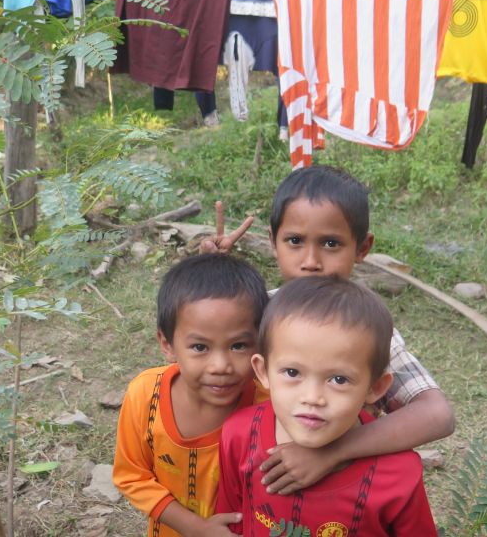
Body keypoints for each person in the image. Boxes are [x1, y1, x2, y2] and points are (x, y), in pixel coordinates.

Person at [201, 165, 455, 494]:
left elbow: (437, 414)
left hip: (344, 492)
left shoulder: (364, 331)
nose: (311, 261)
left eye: (331, 243)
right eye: (294, 241)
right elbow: (195, 343)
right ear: (273, 241)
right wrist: (212, 274)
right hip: (251, 476)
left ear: (362, 248)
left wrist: (331, 451)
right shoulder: (257, 311)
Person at [216, 276, 438, 535]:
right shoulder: (239, 436)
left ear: (375, 388)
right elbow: (231, 524)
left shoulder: (399, 476)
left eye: (339, 379)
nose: (312, 397)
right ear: (263, 371)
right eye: (292, 372)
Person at [112, 253, 268, 536]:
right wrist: (196, 528)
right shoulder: (145, 395)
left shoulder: (270, 407)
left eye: (238, 346)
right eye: (200, 347)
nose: (220, 366)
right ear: (167, 344)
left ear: (260, 343)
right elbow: (132, 476)